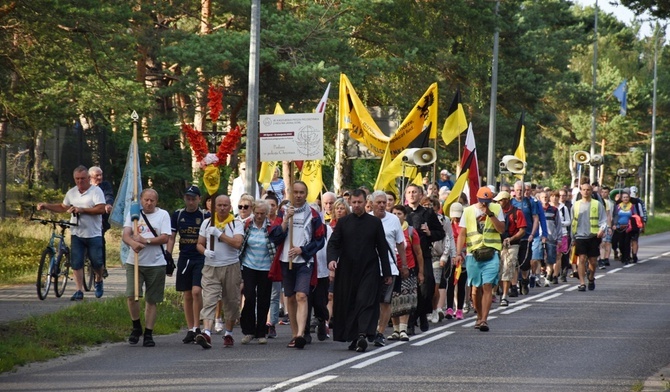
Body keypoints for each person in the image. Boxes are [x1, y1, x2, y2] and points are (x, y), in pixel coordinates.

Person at [328, 189, 392, 352]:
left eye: (360, 202)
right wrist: (332, 260)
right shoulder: (344, 222)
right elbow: (334, 243)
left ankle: (363, 334)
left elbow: (382, 248)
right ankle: (354, 337)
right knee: (350, 303)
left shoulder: (374, 223)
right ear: (350, 203)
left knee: (365, 301)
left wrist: (387, 273)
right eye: (354, 202)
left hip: (369, 269)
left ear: (366, 203)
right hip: (347, 270)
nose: (356, 205)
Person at [269, 181, 326, 349]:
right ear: (291, 193)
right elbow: (274, 236)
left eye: (302, 192)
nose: (299, 195)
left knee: (302, 295)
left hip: (304, 261)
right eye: (296, 192)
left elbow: (320, 240)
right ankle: (294, 334)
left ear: (306, 194)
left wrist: (302, 249)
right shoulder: (283, 212)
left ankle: (301, 333)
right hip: (286, 261)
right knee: (291, 297)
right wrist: (286, 220)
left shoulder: (313, 215)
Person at [37, 165, 106, 301]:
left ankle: (98, 279)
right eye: (77, 179)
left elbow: (101, 209)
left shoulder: (96, 191)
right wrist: (46, 205)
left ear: (88, 178)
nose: (80, 181)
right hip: (77, 233)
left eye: (83, 178)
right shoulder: (71, 193)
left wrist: (82, 210)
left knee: (97, 262)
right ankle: (78, 290)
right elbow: (63, 207)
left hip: (93, 234)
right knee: (76, 262)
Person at [122, 188, 171, 347]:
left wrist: (146, 241)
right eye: (146, 200)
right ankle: (136, 327)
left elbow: (165, 238)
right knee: (132, 295)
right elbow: (126, 235)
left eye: (152, 200)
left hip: (156, 263)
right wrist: (133, 243)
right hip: (134, 262)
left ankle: (148, 333)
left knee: (152, 300)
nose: (149, 203)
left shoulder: (163, 215)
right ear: (141, 200)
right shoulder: (134, 213)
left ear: (156, 201)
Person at [195, 195, 244, 348]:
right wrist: (205, 252)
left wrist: (219, 234)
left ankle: (228, 333)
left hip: (231, 266)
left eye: (225, 205)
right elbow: (199, 244)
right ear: (214, 207)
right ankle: (207, 333)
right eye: (219, 205)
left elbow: (237, 243)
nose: (222, 208)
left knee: (231, 301)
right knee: (209, 299)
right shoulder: (206, 223)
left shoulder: (236, 223)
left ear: (230, 206)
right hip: (211, 267)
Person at [454, 187, 505, 332]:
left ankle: (484, 319)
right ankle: (478, 316)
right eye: (483, 202)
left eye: (487, 202)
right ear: (477, 199)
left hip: (491, 252)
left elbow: (501, 229)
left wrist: (491, 215)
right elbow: (462, 234)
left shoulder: (496, 208)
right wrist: (458, 253)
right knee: (475, 289)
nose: (485, 204)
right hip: (473, 254)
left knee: (487, 285)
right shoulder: (468, 211)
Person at [167, 185, 209, 344]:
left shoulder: (205, 215)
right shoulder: (178, 215)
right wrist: (168, 256)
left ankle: (198, 326)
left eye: (194, 199)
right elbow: (171, 237)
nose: (190, 202)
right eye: (188, 198)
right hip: (184, 257)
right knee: (187, 294)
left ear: (199, 199)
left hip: (200, 257)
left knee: (197, 291)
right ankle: (191, 328)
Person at [404, 184, 445, 334]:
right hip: (407, 255)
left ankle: (422, 313)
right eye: (409, 192)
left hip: (424, 254)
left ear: (420, 195)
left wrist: (429, 233)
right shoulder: (403, 213)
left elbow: (440, 233)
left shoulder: (428, 213)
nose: (412, 195)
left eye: (414, 192)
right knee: (409, 288)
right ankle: (410, 321)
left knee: (427, 287)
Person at [370, 191, 406, 347]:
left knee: (385, 302)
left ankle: (380, 332)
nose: (382, 205)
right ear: (371, 204)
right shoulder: (367, 219)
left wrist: (404, 265)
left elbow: (400, 244)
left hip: (389, 268)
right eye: (378, 202)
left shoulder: (394, 220)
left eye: (384, 202)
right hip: (369, 268)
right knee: (370, 301)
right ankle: (368, 329)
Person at [239, 200, 275, 345]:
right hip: (249, 265)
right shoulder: (247, 224)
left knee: (263, 299)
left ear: (266, 214)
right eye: (257, 213)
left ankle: (261, 332)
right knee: (249, 297)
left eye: (262, 213)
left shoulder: (271, 227)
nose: (259, 216)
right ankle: (248, 331)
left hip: (266, 266)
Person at [387, 205, 422, 342]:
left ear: (405, 216)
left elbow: (418, 253)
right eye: (394, 213)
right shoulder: (387, 228)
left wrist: (421, 272)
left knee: (405, 299)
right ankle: (395, 330)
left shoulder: (411, 231)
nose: (396, 216)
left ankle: (403, 329)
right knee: (392, 299)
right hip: (391, 269)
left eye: (399, 213)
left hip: (408, 269)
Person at [571, 182, 607, 291]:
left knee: (593, 261)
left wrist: (602, 229)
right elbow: (572, 222)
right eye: (584, 190)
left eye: (588, 190)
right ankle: (582, 283)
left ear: (591, 191)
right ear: (580, 191)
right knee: (581, 258)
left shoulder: (597, 204)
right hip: (580, 236)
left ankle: (591, 277)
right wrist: (572, 238)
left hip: (593, 236)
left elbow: (603, 219)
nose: (586, 192)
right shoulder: (575, 205)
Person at [494, 191, 526, 306]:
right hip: (497, 244)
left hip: (512, 245)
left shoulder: (517, 212)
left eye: (500, 200)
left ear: (506, 200)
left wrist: (511, 239)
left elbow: (522, 230)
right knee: (498, 269)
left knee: (507, 268)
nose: (498, 202)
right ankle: (497, 291)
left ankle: (504, 296)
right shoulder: (496, 213)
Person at [511, 181, 539, 295]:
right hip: (514, 237)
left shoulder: (529, 202)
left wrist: (532, 234)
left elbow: (535, 219)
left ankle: (524, 281)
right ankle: (513, 286)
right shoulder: (511, 202)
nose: (519, 192)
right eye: (517, 190)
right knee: (513, 262)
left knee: (525, 264)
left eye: (521, 190)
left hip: (526, 237)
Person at [88, 166, 114, 278]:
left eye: (101, 175)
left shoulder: (105, 185)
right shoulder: (85, 186)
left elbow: (109, 196)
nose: (100, 177)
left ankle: (102, 266)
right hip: (86, 218)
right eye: (97, 175)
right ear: (90, 177)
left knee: (99, 240)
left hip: (101, 218)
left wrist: (108, 205)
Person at [443, 202, 467, 318]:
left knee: (461, 284)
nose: (456, 218)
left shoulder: (465, 225)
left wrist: (462, 253)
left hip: (463, 256)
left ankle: (460, 309)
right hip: (451, 257)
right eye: (454, 215)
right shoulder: (448, 225)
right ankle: (449, 308)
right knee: (450, 283)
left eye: (458, 215)